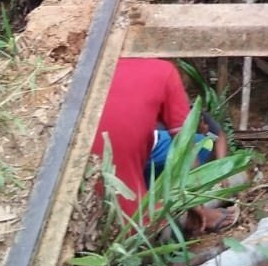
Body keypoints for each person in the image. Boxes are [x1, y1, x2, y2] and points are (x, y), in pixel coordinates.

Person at [91, 57, 234, 233]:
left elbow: (216, 136)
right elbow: (184, 143)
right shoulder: (166, 95)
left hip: (149, 153)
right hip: (153, 147)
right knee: (195, 145)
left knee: (203, 144)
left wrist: (220, 166)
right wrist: (192, 199)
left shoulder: (198, 115)